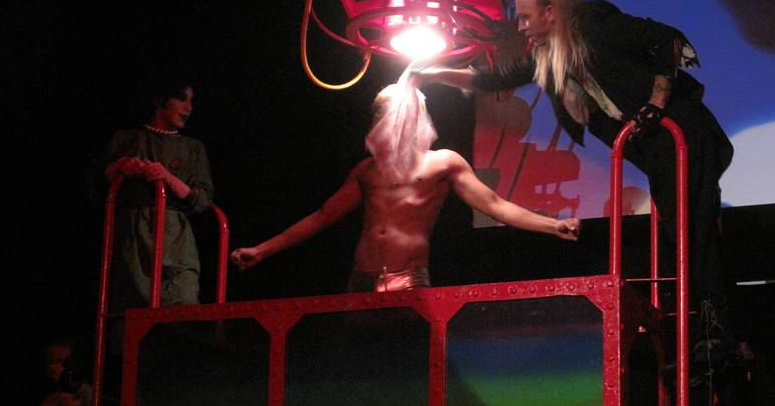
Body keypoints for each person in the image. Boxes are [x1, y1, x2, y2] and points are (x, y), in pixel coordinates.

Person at [416, 0, 738, 351]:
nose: (520, 27)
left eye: (525, 17)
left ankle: (721, 335)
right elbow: (495, 78)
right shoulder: (548, 55)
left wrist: (656, 101)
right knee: (683, 235)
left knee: (690, 235)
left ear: (550, 12)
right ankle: (715, 332)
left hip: (681, 132)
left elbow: (665, 39)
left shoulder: (592, 23)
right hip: (657, 147)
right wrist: (430, 74)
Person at [231, 73, 580, 291]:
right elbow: (322, 216)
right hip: (362, 277)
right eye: (386, 114)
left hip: (408, 279)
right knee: (360, 369)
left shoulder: (442, 162)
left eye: (400, 112)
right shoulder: (367, 170)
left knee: (408, 363)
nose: (392, 120)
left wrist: (553, 225)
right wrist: (262, 250)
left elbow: (495, 205)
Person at [97, 78, 214, 313]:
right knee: (129, 310)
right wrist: (119, 167)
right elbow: (96, 185)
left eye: (191, 101)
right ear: (161, 101)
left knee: (181, 303)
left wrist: (167, 177)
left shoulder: (192, 148)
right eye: (181, 99)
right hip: (131, 237)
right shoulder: (126, 139)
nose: (189, 108)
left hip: (174, 238)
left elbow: (203, 199)